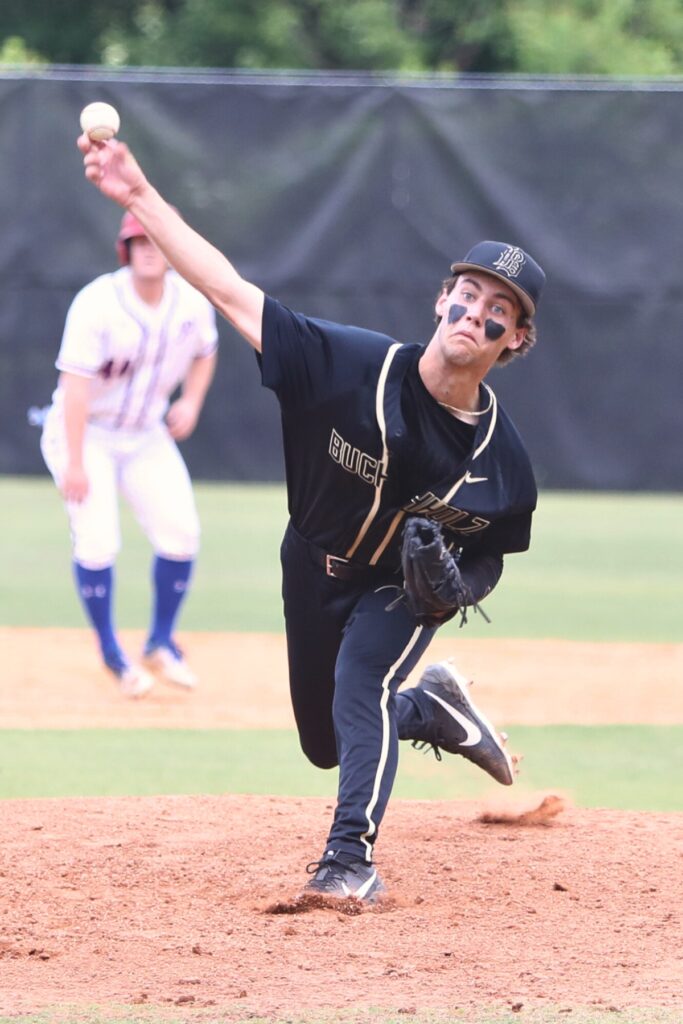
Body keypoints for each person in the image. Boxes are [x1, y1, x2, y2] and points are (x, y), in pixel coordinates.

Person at [77, 130, 544, 900]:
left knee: (362, 674)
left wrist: (455, 589)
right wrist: (135, 194)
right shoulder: (345, 366)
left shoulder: (501, 459)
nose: (477, 313)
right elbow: (226, 288)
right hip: (310, 558)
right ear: (442, 298)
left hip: (396, 587)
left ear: (515, 340)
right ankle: (433, 711)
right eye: (469, 294)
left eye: (500, 311)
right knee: (326, 740)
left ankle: (347, 863)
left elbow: (492, 552)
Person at [41, 209, 218, 698]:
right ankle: (112, 654)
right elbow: (74, 389)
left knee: (181, 533)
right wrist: (74, 463)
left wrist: (191, 400)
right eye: (136, 240)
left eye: (154, 238)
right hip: (85, 430)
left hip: (145, 434)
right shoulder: (97, 302)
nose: (146, 247)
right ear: (125, 248)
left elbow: (206, 349)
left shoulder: (189, 302)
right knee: (97, 541)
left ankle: (160, 642)